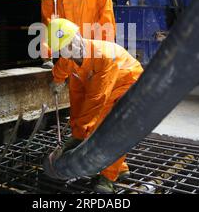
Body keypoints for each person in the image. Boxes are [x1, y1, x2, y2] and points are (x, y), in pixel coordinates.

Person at [47, 18, 144, 193]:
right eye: (65, 47)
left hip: (129, 83)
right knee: (82, 114)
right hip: (106, 85)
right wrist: (57, 80)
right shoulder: (69, 59)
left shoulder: (103, 56)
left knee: (111, 128)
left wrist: (78, 138)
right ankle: (120, 168)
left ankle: (108, 178)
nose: (71, 48)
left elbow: (97, 100)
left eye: (72, 41)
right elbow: (64, 72)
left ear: (78, 34)